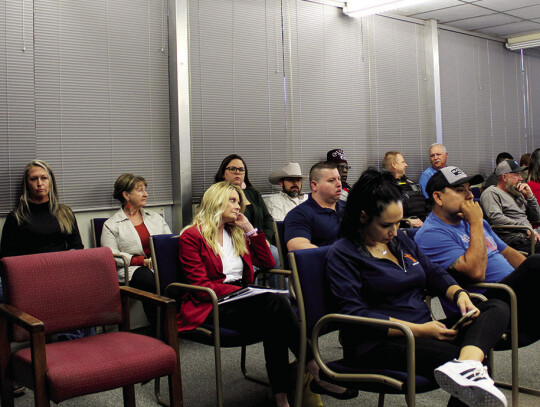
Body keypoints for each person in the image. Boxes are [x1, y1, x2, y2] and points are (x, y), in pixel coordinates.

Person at [327, 169, 509, 407]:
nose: (394, 231)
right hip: (376, 342)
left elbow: (433, 272)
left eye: (398, 223)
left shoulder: (398, 240)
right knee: (462, 363)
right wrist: (419, 330)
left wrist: (459, 294)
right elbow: (355, 316)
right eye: (386, 225)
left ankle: (467, 366)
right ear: (363, 217)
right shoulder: (343, 254)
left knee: (494, 306)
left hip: (425, 329)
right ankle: (467, 366)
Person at [177, 181, 357, 407]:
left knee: (275, 320)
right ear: (216, 201)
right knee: (276, 305)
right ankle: (314, 368)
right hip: (211, 303)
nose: (238, 207)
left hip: (241, 299)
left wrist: (250, 230)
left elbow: (267, 261)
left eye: (239, 202)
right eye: (232, 201)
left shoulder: (236, 232)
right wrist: (244, 292)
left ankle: (281, 396)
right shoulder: (192, 236)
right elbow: (201, 285)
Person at [416, 166, 540, 345]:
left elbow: (508, 253)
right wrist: (475, 222)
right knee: (536, 262)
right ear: (438, 197)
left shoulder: (476, 222)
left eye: (469, 189)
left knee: (534, 264)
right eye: (460, 190)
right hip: (483, 304)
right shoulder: (431, 234)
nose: (469, 196)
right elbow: (476, 273)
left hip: (512, 294)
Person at [0, 159, 85, 396]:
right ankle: (11, 372)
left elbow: (77, 247)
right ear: (27, 184)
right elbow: (6, 259)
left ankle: (71, 362)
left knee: (81, 293)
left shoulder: (65, 213)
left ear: (51, 182)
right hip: (28, 279)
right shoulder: (17, 217)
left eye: (43, 178)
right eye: (34, 179)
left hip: (62, 275)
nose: (39, 183)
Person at [101, 173, 172, 328]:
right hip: (131, 269)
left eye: (145, 190)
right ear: (126, 195)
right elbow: (111, 256)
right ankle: (160, 328)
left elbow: (169, 243)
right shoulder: (111, 224)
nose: (145, 194)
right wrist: (143, 261)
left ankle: (178, 324)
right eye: (140, 190)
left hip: (158, 266)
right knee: (149, 280)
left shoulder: (156, 218)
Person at [214, 154, 280, 277]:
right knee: (249, 266)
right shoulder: (215, 196)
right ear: (223, 173)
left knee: (276, 255)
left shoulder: (253, 193)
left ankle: (279, 293)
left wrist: (266, 239)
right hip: (236, 244)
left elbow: (267, 218)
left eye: (241, 169)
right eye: (232, 169)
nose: (237, 172)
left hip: (258, 240)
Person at [480, 159, 540, 255]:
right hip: (514, 240)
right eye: (517, 175)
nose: (521, 178)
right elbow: (496, 218)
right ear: (505, 177)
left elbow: (536, 217)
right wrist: (525, 228)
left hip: (529, 236)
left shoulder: (516, 193)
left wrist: (530, 196)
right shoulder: (491, 193)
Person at [284, 161, 344, 251]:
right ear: (315, 185)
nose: (339, 184)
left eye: (339, 179)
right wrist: (340, 253)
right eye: (332, 180)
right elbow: (297, 245)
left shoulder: (349, 208)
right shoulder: (300, 214)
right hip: (328, 262)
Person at [382, 151, 428, 226]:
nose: (406, 165)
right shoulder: (384, 187)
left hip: (423, 225)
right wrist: (407, 221)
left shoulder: (412, 183)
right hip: (404, 229)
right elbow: (384, 216)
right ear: (394, 165)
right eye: (403, 162)